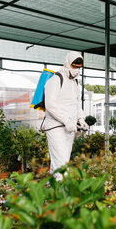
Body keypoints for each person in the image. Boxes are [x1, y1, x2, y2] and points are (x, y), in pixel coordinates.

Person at [44, 51, 87, 180]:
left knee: (61, 160)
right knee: (61, 162)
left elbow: (76, 102)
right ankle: (63, 194)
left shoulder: (75, 83)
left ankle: (53, 190)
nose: (77, 70)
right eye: (74, 66)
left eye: (79, 67)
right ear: (68, 64)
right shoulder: (56, 79)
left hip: (70, 127)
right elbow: (50, 105)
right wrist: (65, 120)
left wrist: (81, 119)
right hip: (56, 127)